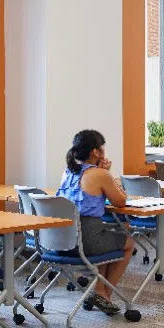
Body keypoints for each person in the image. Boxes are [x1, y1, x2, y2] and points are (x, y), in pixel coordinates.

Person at [57, 129, 135, 316]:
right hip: (87, 241)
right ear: (95, 152)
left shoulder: (67, 173)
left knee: (107, 235)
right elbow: (121, 201)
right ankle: (105, 294)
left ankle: (100, 292)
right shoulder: (99, 174)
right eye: (102, 148)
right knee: (128, 243)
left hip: (61, 241)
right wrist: (107, 174)